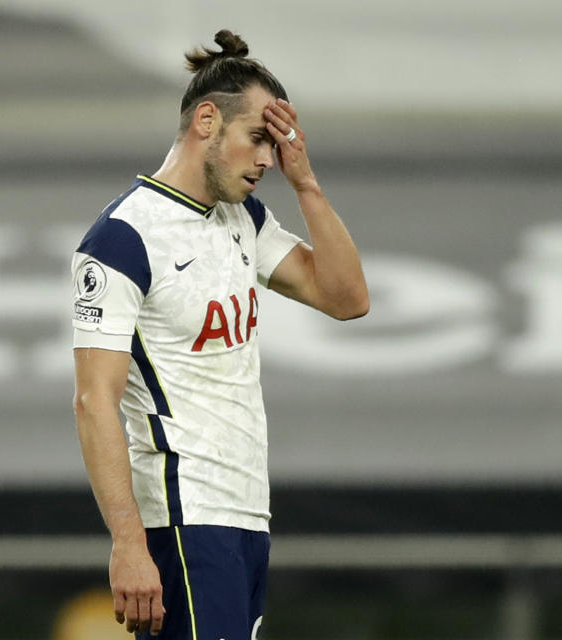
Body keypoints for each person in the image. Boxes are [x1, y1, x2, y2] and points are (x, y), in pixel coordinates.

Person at [71, 29, 369, 639]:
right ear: (207, 120)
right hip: (182, 517)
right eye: (258, 138)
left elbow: (346, 298)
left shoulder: (243, 219)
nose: (267, 159)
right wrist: (128, 542)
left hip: (245, 514)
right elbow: (93, 398)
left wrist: (307, 184)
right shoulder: (122, 239)